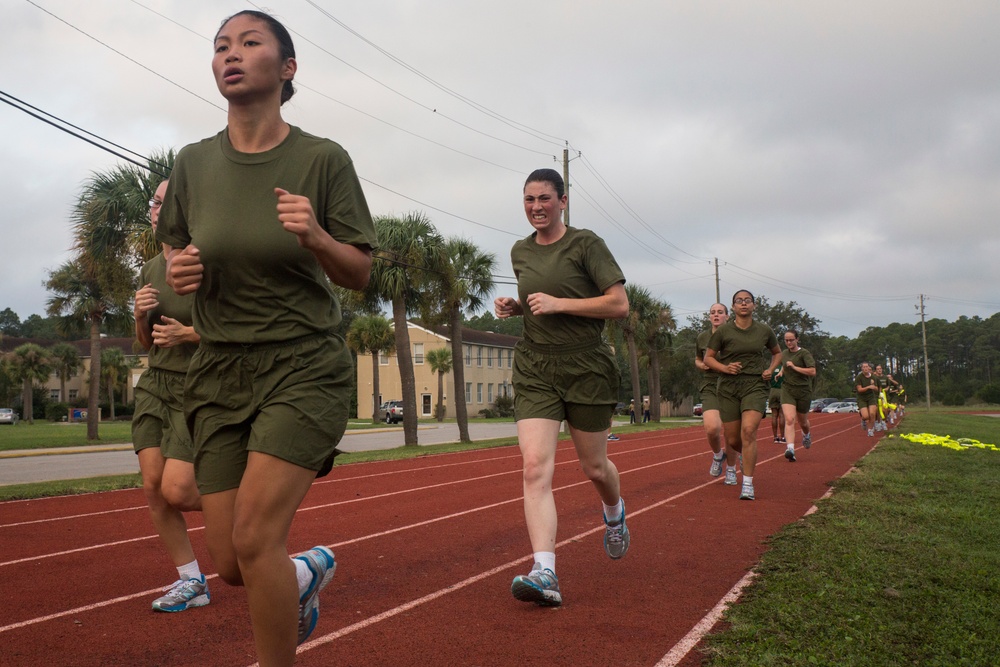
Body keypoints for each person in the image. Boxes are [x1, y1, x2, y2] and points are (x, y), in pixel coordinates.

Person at [156, 10, 377, 666]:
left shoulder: (321, 159)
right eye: (221, 45)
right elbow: (174, 242)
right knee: (229, 561)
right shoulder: (193, 163)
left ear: (286, 69)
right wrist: (178, 266)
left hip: (302, 364)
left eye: (250, 43)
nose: (231, 54)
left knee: (254, 537)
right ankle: (304, 573)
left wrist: (316, 236)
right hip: (220, 369)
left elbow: (360, 271)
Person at [494, 168, 630, 608]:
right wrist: (517, 307)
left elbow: (618, 304)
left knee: (595, 468)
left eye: (545, 198)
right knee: (534, 466)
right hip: (535, 366)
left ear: (563, 200)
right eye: (529, 199)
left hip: (586, 365)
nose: (536, 207)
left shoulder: (586, 244)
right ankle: (545, 569)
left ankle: (614, 514)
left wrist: (559, 304)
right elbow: (539, 304)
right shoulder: (520, 251)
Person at [132, 178, 208, 613]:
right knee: (154, 489)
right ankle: (191, 581)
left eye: (163, 201)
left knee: (179, 490)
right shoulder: (148, 269)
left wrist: (189, 333)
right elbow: (146, 342)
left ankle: (258, 514)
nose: (155, 208)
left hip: (198, 386)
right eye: (153, 202)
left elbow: (236, 331)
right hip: (155, 385)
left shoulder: (205, 263)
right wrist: (141, 315)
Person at [703, 290, 781, 501]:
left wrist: (771, 369)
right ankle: (745, 455)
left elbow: (777, 353)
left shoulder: (764, 330)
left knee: (749, 431)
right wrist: (725, 368)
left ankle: (747, 483)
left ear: (754, 306)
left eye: (748, 301)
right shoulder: (723, 332)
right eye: (739, 301)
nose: (744, 304)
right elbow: (708, 358)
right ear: (734, 307)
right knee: (733, 439)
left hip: (755, 384)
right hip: (728, 386)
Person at [694, 302, 732, 478]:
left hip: (732, 383)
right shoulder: (702, 337)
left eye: (720, 312)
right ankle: (718, 455)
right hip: (710, 384)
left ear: (727, 316)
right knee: (712, 428)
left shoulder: (735, 335)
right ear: (709, 316)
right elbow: (697, 358)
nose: (716, 315)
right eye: (713, 312)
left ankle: (732, 468)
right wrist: (702, 365)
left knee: (733, 431)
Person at [779, 330, 816, 462]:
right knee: (789, 419)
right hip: (787, 389)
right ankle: (790, 449)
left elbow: (812, 371)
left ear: (797, 339)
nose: (789, 342)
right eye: (786, 340)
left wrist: (794, 367)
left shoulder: (804, 353)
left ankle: (806, 434)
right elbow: (785, 364)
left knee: (803, 422)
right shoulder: (784, 353)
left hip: (803, 391)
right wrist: (781, 372)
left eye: (791, 340)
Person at [855, 363, 879, 436]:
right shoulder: (859, 378)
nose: (866, 368)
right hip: (862, 398)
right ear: (862, 368)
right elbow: (859, 389)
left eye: (867, 367)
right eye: (864, 367)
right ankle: (863, 419)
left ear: (869, 368)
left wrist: (874, 387)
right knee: (866, 416)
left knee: (872, 414)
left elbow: (877, 388)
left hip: (871, 397)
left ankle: (870, 430)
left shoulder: (873, 377)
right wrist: (868, 387)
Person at [768, 366, 785, 444]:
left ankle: (775, 437)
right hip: (782, 390)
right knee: (781, 415)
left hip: (772, 391)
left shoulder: (771, 368)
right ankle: (783, 437)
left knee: (774, 415)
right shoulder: (783, 368)